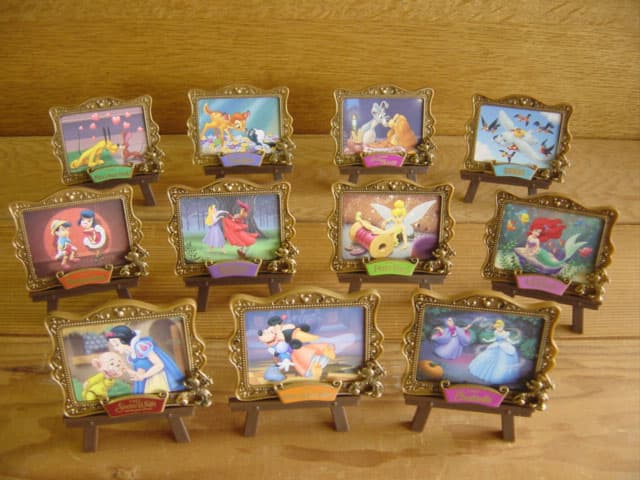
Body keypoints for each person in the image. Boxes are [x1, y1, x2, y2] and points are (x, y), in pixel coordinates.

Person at [104, 325, 185, 394]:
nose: (115, 348)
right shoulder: (131, 353)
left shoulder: (140, 347)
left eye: (116, 344)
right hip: (149, 380)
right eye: (113, 345)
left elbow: (160, 365)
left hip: (159, 377)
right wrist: (126, 369)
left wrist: (144, 376)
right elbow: (140, 372)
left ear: (125, 341)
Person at [468, 319, 520, 385]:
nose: (498, 329)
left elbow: (509, 340)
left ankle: (499, 376)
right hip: (496, 346)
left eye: (499, 327)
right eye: (497, 327)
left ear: (503, 326)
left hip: (504, 347)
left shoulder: (506, 333)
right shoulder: (496, 332)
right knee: (487, 357)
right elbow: (494, 339)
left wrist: (514, 342)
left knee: (502, 361)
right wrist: (487, 340)